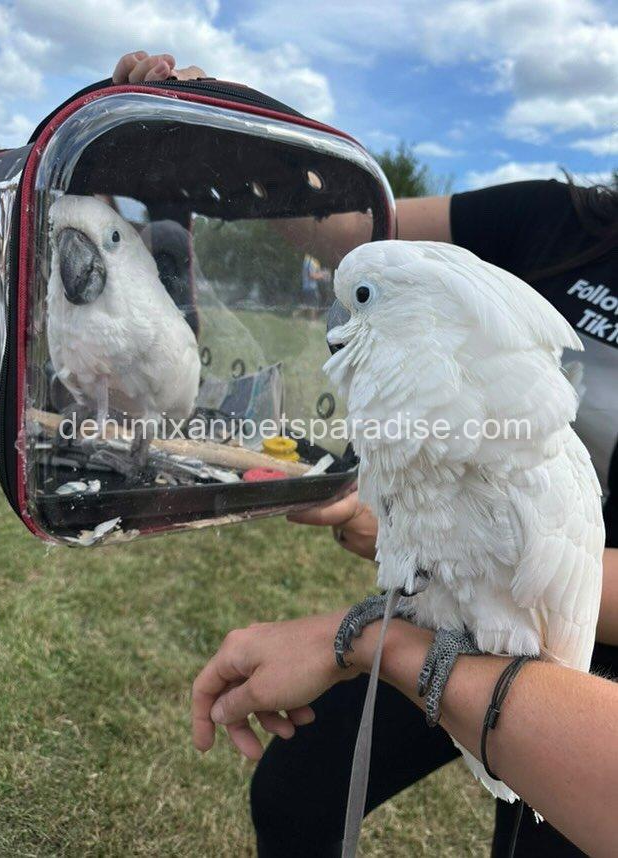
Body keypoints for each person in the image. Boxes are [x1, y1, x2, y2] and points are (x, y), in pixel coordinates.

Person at [114, 53, 618, 856]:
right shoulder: (562, 221)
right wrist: (227, 128)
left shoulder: (545, 463)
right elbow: (349, 223)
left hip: (569, 667)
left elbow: (543, 590)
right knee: (295, 790)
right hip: (434, 614)